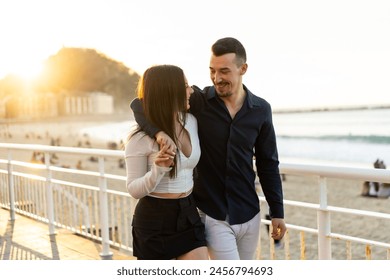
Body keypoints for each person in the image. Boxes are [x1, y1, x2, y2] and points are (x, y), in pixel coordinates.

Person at [131, 37, 286, 260]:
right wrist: (158, 132)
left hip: (250, 212)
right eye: (212, 70)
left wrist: (277, 212)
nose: (216, 78)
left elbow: (268, 163)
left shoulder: (261, 109)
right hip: (213, 214)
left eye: (224, 71)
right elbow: (140, 103)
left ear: (243, 69)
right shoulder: (199, 101)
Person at [124, 64, 208, 260]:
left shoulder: (191, 121)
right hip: (154, 221)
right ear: (169, 91)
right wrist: (157, 170)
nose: (191, 91)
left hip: (188, 212)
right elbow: (133, 189)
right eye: (185, 86)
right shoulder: (139, 139)